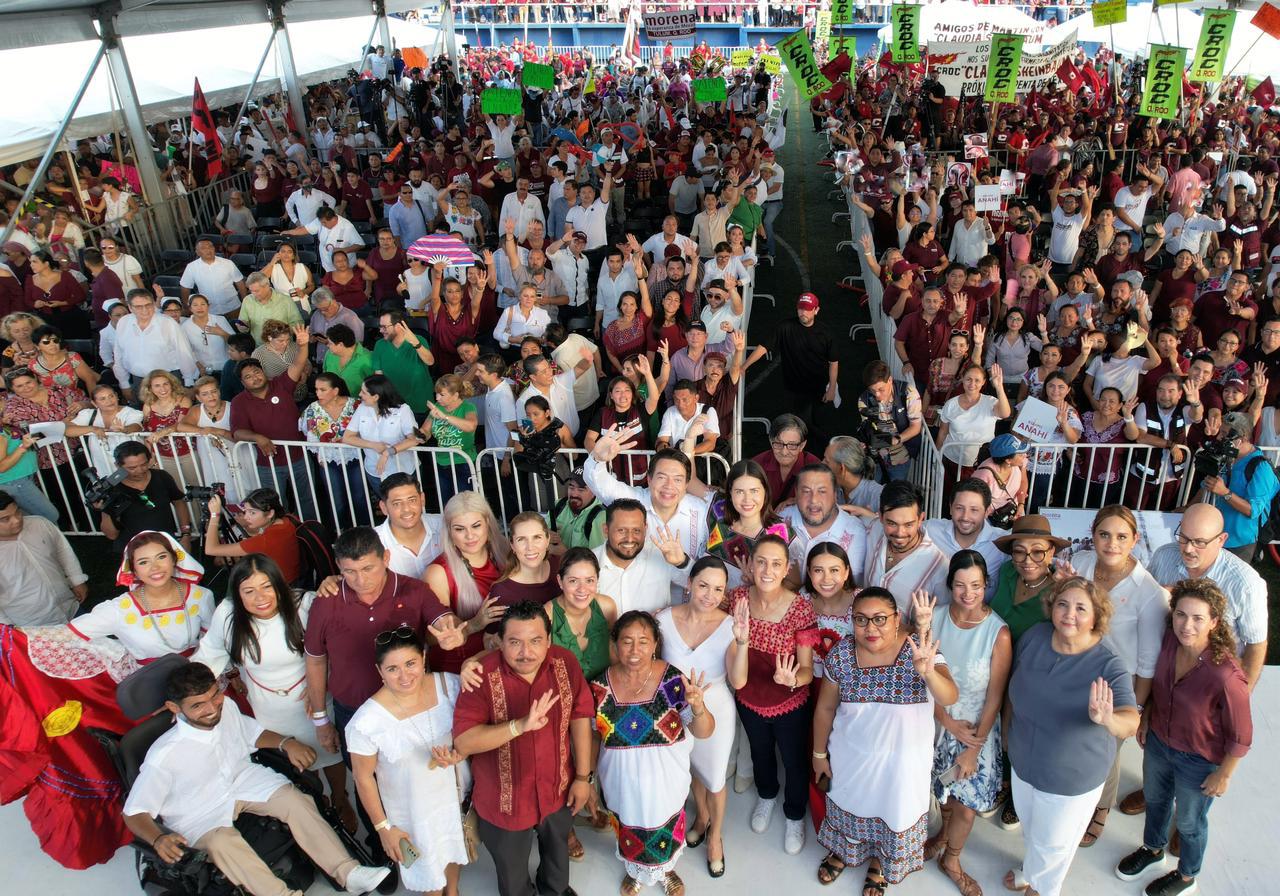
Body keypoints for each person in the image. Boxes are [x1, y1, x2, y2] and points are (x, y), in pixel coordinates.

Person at [122, 662, 391, 896]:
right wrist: (158, 839)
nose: (211, 708)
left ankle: (348, 872)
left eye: (214, 696)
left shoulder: (225, 706)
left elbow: (251, 734)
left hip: (241, 780)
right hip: (197, 810)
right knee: (222, 843)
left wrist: (286, 742)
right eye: (197, 705)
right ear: (173, 707)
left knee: (293, 800)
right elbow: (134, 812)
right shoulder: (163, 755)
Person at [811, 587, 957, 892]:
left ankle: (880, 863)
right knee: (850, 803)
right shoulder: (841, 653)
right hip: (851, 760)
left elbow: (949, 696)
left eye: (880, 619)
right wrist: (819, 754)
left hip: (902, 767)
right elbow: (825, 707)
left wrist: (929, 673)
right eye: (861, 620)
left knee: (892, 811)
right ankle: (843, 853)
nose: (870, 628)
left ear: (896, 619)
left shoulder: (920, 648)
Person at [1114, 579, 1252, 896]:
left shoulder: (1226, 675)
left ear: (1214, 622)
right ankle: (1152, 850)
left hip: (1199, 759)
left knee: (1189, 823)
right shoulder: (1167, 645)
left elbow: (1242, 734)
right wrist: (1147, 718)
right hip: (1160, 744)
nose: (1186, 625)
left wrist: (1224, 774)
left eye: (1198, 618)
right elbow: (1157, 690)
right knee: (1156, 800)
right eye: (1180, 614)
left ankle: (1187, 876)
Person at [1004, 577, 1139, 896]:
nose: (1069, 614)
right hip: (1024, 762)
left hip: (1069, 779)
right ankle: (1032, 870)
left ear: (1096, 616)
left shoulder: (1108, 664)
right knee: (1034, 829)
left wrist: (1108, 718)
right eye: (1062, 604)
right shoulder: (1036, 637)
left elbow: (1130, 721)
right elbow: (1015, 684)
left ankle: (1041, 888)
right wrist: (1008, 733)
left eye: (1081, 608)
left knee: (1054, 846)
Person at [192, 555, 350, 827]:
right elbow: (208, 656)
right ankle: (317, 802)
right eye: (248, 591)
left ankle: (341, 795)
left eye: (266, 586)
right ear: (237, 594)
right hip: (267, 705)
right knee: (290, 762)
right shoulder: (228, 615)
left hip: (312, 698)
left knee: (329, 751)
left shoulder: (305, 604)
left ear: (279, 585)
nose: (260, 597)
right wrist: (185, 696)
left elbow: (342, 644)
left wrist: (320, 686)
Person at [451, 601, 595, 896]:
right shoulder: (481, 676)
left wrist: (583, 778)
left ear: (549, 640)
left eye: (535, 641)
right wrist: (518, 726)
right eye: (514, 642)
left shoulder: (565, 663)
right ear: (499, 643)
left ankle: (554, 890)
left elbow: (580, 717)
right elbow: (464, 742)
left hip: (559, 789)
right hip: (504, 801)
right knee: (512, 872)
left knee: (557, 859)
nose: (525, 652)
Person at [1062, 505, 1170, 847]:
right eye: (1104, 535)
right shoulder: (1080, 565)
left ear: (1135, 540)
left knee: (1105, 751)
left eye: (1122, 537)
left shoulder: (1149, 593)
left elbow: (1148, 661)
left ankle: (1100, 809)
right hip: (1073, 669)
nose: (1112, 544)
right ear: (1092, 534)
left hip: (1117, 685)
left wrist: (1134, 709)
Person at [593, 611, 715, 896]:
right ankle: (633, 871)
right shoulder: (599, 687)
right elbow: (587, 735)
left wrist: (697, 706)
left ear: (655, 643)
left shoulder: (672, 679)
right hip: (620, 781)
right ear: (614, 644)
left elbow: (705, 731)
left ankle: (667, 870)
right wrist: (586, 778)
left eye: (643, 641)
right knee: (627, 826)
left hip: (665, 779)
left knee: (665, 826)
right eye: (626, 641)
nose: (635, 650)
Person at [348, 627, 470, 896]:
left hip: (451, 799)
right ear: (379, 671)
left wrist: (460, 753)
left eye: (410, 663)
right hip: (410, 815)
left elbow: (471, 732)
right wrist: (383, 829)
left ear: (423, 658)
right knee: (427, 875)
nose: (404, 676)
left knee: (451, 851)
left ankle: (453, 892)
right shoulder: (365, 722)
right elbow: (363, 778)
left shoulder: (450, 685)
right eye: (392, 669)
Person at [925, 552, 1011, 895]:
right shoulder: (934, 618)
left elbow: (995, 697)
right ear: (950, 585)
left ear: (985, 585)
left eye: (976, 585)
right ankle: (942, 837)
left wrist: (972, 748)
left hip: (978, 732)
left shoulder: (998, 632)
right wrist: (946, 720)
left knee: (967, 807)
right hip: (937, 724)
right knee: (942, 793)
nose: (968, 592)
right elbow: (925, 680)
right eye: (960, 585)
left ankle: (953, 859)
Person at [726, 535, 817, 855]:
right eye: (761, 561)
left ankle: (794, 813)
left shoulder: (800, 608)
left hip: (790, 702)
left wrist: (792, 679)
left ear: (787, 568)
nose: (767, 570)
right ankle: (766, 795)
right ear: (749, 564)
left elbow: (806, 670)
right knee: (760, 751)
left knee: (793, 761)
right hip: (748, 697)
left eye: (776, 563)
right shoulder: (736, 598)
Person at [654, 557, 735, 876]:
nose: (710, 594)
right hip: (673, 704)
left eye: (718, 589)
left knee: (714, 776)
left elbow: (738, 679)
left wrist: (742, 642)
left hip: (714, 702)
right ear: (689, 584)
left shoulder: (731, 625)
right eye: (703, 585)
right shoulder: (663, 618)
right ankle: (701, 817)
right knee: (690, 769)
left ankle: (715, 837)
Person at [1141, 503, 1268, 693]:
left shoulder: (1246, 584)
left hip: (1213, 682)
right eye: (1183, 538)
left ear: (1221, 540)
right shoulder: (1163, 556)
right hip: (1163, 673)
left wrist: (1242, 693)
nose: (1188, 549)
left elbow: (1256, 644)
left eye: (1200, 542)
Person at [69, 530, 213, 658]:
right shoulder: (119, 609)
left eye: (161, 557)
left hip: (197, 679)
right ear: (134, 570)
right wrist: (113, 652)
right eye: (144, 562)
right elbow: (68, 635)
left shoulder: (200, 596)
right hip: (150, 684)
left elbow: (213, 640)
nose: (155, 567)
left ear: (174, 559)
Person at [229, 325, 317, 521]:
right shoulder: (239, 402)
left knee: (308, 500)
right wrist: (258, 437)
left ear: (263, 371)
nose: (255, 377)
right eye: (248, 377)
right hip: (268, 463)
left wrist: (303, 345)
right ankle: (285, 536)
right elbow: (237, 433)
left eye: (257, 372)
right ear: (243, 383)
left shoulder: (281, 384)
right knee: (276, 506)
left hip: (299, 458)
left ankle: (313, 534)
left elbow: (298, 364)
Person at [423, 491, 512, 673]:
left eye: (476, 526)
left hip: (506, 657)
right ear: (449, 531)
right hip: (461, 669)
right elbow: (432, 637)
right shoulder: (438, 573)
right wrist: (475, 623)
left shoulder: (506, 552)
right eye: (459, 529)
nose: (470, 535)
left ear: (487, 523)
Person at [1197, 411, 1279, 561]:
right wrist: (1187, 509)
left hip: (1239, 543)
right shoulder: (1225, 457)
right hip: (1212, 534)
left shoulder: (1260, 468)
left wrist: (1225, 493)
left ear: (1241, 439)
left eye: (1224, 433)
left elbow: (1252, 510)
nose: (1219, 437)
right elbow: (1206, 486)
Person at [0, 490, 88, 625]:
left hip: (71, 608)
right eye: (5, 519)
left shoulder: (39, 524)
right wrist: (7, 626)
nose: (17, 520)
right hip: (32, 626)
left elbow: (63, 551)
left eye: (18, 511)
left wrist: (77, 580)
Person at [863, 481, 950, 615]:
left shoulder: (939, 567)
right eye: (892, 523)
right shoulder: (873, 530)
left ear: (921, 519)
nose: (900, 533)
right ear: (880, 517)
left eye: (908, 525)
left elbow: (942, 617)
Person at [97, 440, 194, 555]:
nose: (140, 471)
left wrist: (186, 534)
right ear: (118, 466)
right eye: (132, 468)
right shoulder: (111, 488)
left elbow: (179, 502)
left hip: (165, 543)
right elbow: (112, 535)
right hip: (132, 549)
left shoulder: (162, 477)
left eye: (144, 465)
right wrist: (105, 509)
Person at [780, 463, 869, 585]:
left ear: (835, 494)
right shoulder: (781, 520)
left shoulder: (854, 532)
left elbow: (851, 588)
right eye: (806, 491)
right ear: (796, 492)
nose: (813, 500)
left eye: (822, 491)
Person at [201, 488, 302, 583]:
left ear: (270, 513)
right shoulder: (288, 520)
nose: (246, 517)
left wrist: (215, 515)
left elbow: (210, 549)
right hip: (295, 578)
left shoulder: (263, 541)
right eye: (245, 511)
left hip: (279, 586)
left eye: (252, 513)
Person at [936, 362, 1012, 489]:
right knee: (951, 495)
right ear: (963, 380)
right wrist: (937, 455)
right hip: (952, 460)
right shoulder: (951, 404)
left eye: (977, 380)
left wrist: (999, 387)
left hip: (981, 463)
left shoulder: (990, 402)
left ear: (983, 382)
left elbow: (1005, 413)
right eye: (968, 379)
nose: (972, 384)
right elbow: (943, 431)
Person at [343, 374, 421, 496]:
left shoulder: (403, 410)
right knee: (387, 505)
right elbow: (347, 437)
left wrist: (387, 452)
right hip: (374, 471)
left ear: (376, 397)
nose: (359, 394)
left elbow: (414, 439)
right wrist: (372, 445)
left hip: (403, 470)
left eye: (363, 392)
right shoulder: (362, 408)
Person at [374, 472, 444, 579]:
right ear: (384, 507)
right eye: (397, 503)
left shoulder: (445, 525)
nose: (406, 509)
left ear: (422, 499)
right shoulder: (373, 542)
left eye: (412, 500)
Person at [750, 414, 822, 507]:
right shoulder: (757, 464)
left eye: (792, 445)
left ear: (802, 446)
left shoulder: (815, 466)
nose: (784, 452)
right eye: (778, 444)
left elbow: (824, 500)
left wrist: (797, 500)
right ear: (770, 442)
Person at [972, 433, 1030, 528]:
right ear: (1008, 460)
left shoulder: (1020, 463)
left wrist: (1021, 504)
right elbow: (974, 502)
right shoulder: (984, 475)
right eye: (1020, 454)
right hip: (989, 521)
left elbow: (1023, 482)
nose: (1025, 455)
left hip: (1016, 512)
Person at [548, 467, 607, 551]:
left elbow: (597, 558)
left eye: (581, 489)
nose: (574, 494)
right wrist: (544, 536)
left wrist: (565, 554)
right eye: (571, 488)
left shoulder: (600, 516)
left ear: (595, 492)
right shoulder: (558, 505)